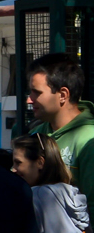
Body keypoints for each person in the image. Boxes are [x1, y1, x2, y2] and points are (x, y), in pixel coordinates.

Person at [23, 53, 94, 188]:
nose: (29, 100)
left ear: (63, 95)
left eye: (36, 92)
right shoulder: (35, 134)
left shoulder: (89, 141)